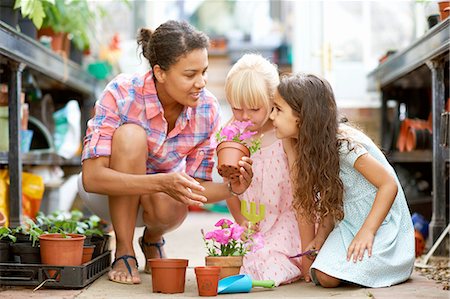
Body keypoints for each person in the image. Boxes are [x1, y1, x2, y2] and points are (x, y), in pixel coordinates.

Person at [78, 20, 253, 285]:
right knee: (131, 136)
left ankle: (152, 239)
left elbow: (198, 185)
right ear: (160, 73)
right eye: (190, 74)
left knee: (174, 192)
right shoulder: (122, 92)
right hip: (104, 195)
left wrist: (234, 188)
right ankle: (124, 250)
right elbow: (92, 178)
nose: (201, 82)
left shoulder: (206, 109)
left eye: (204, 71)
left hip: (160, 203)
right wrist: (161, 181)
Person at [269, 73, 415, 288]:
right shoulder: (309, 148)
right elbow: (332, 198)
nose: (271, 116)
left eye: (278, 109)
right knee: (324, 276)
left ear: (302, 117)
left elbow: (388, 184)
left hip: (379, 222)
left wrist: (368, 231)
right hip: (348, 224)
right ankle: (352, 266)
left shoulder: (343, 145)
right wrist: (321, 237)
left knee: (333, 273)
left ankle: (378, 262)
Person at [223, 54, 302, 286]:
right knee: (242, 262)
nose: (245, 116)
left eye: (255, 109)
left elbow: (301, 190)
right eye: (237, 109)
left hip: (288, 220)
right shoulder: (233, 137)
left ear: (273, 100)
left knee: (268, 265)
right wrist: (242, 224)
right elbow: (229, 188)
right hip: (254, 223)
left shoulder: (283, 134)